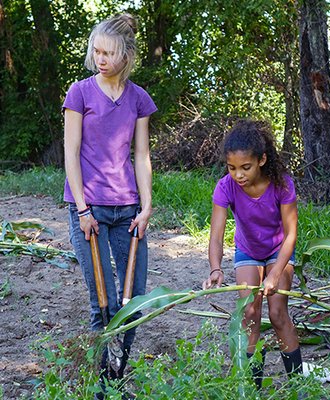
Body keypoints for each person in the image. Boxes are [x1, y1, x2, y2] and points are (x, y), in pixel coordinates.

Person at [63, 13, 157, 397]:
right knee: (101, 304)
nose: (101, 59)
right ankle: (104, 389)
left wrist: (146, 206)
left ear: (126, 56)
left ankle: (117, 378)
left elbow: (142, 156)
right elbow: (70, 156)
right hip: (89, 209)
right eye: (96, 51)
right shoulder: (80, 93)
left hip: (128, 210)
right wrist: (83, 209)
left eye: (109, 53)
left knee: (131, 301)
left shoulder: (139, 98)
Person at [202, 120, 302, 389]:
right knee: (249, 312)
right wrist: (215, 268)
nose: (239, 175)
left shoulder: (282, 185)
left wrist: (276, 273)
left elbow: (291, 235)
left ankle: (298, 385)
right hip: (248, 250)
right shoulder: (225, 187)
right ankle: (252, 387)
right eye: (232, 168)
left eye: (245, 167)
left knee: (279, 312)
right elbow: (216, 235)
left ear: (262, 160)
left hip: (278, 251)